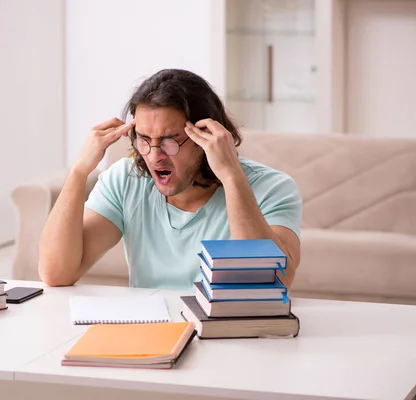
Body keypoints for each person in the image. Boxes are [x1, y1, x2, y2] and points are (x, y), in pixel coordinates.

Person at [38, 69, 302, 290]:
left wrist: (232, 176)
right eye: (143, 139)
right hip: (152, 337)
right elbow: (56, 273)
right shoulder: (125, 180)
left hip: (230, 337)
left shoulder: (272, 188)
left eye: (169, 141)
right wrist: (79, 172)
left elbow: (271, 283)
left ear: (206, 136)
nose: (154, 156)